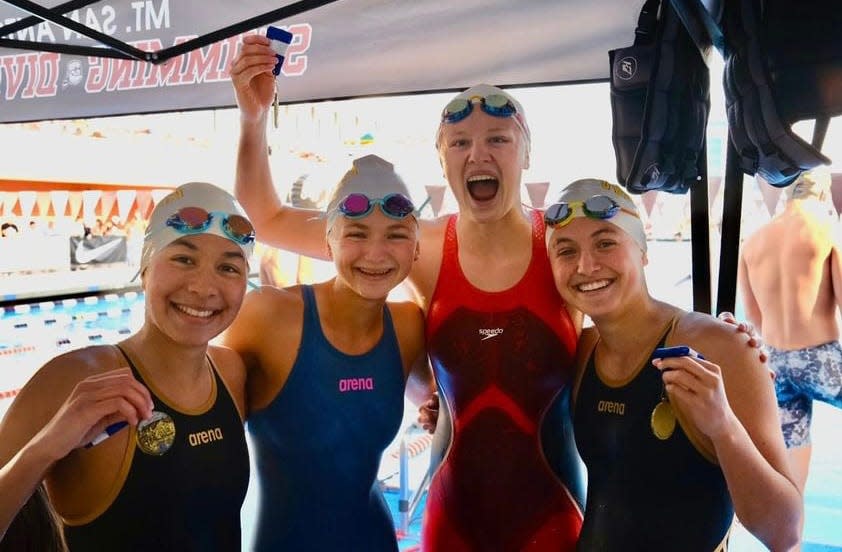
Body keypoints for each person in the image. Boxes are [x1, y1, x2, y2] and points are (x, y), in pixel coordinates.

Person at [230, 37, 762, 550]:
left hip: (550, 517)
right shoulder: (422, 245)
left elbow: (633, 306)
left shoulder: (564, 248)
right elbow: (268, 218)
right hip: (451, 516)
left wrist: (711, 333)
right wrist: (254, 120)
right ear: (443, 161)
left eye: (498, 140)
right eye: (460, 143)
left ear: (525, 155)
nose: (477, 154)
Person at [545, 178, 802, 551]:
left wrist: (724, 428)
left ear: (643, 250)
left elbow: (785, 532)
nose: (586, 265)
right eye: (566, 252)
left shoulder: (720, 346)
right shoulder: (582, 351)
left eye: (605, 243)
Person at [0, 182, 254, 550]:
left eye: (229, 267)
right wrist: (46, 448)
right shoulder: (74, 378)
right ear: (146, 267)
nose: (204, 287)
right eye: (184, 259)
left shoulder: (230, 372)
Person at [221, 154, 434, 551]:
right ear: (327, 241)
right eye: (356, 233)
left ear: (417, 248)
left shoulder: (409, 326)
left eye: (396, 234)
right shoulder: (268, 316)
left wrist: (440, 411)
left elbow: (435, 405)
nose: (376, 253)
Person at [738, 169, 842, 497]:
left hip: (776, 364)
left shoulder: (753, 241)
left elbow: (752, 316)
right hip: (820, 357)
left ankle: (790, 540)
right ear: (822, 193)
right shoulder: (826, 230)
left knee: (793, 446)